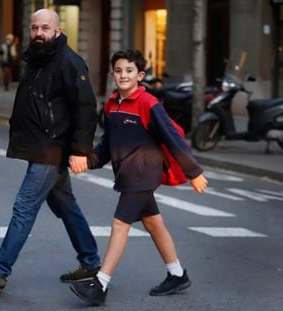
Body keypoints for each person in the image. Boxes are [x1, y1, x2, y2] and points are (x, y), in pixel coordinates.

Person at [0, 8, 101, 291]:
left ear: (57, 30)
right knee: (66, 206)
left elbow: (86, 108)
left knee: (24, 206)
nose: (39, 33)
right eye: (34, 28)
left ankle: (0, 270)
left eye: (45, 28)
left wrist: (80, 151)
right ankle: (90, 261)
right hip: (41, 144)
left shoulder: (69, 62)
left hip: (51, 147)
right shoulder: (37, 58)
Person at [69, 49, 208, 306]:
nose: (123, 75)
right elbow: (107, 145)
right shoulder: (112, 105)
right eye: (119, 71)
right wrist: (88, 161)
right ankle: (177, 274)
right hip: (127, 173)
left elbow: (172, 138)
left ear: (140, 75)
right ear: (112, 74)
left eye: (129, 71)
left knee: (120, 225)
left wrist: (194, 172)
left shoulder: (148, 104)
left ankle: (100, 284)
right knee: (154, 224)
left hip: (143, 174)